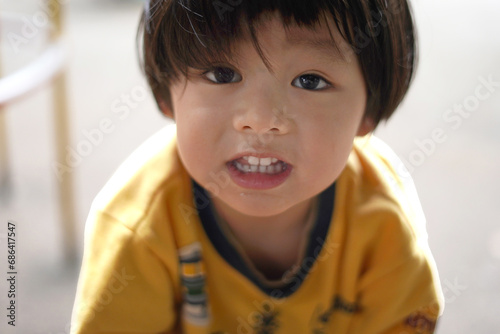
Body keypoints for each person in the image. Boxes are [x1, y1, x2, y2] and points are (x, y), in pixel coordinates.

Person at [71, 0, 444, 333]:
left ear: (369, 110)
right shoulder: (137, 228)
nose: (261, 119)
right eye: (222, 74)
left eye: (310, 81)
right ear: (166, 91)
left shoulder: (386, 226)